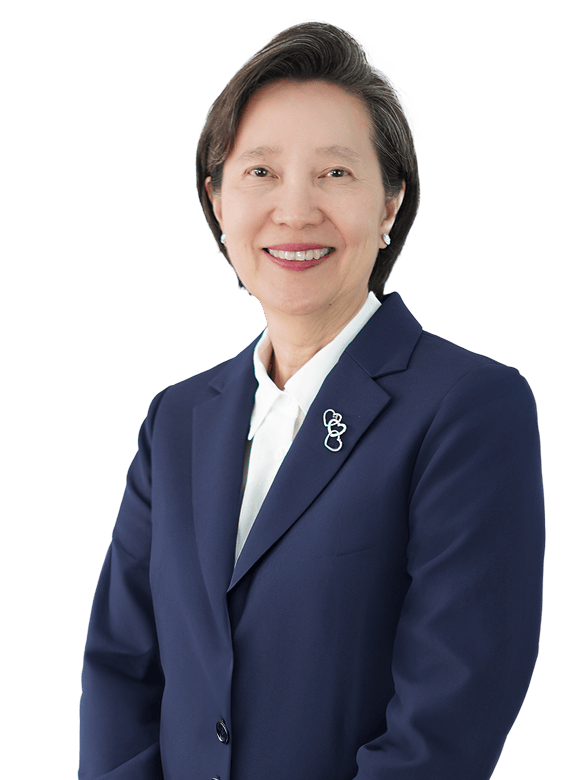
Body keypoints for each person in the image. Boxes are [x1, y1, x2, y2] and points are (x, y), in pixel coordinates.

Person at [78, 19, 545, 780]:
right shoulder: (176, 421)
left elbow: (447, 720)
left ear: (390, 203)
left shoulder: (466, 408)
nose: (294, 211)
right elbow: (122, 669)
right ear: (217, 202)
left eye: (334, 173)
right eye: (260, 171)